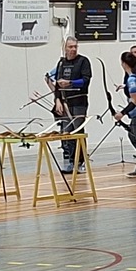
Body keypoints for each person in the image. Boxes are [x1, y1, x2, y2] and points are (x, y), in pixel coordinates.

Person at [45, 37, 90, 175]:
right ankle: (71, 161)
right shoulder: (61, 63)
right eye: (70, 47)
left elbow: (86, 80)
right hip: (65, 103)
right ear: (65, 48)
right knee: (67, 133)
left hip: (79, 102)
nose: (73, 49)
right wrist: (57, 100)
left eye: (75, 46)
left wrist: (71, 83)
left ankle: (81, 161)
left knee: (78, 132)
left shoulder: (83, 61)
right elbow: (57, 84)